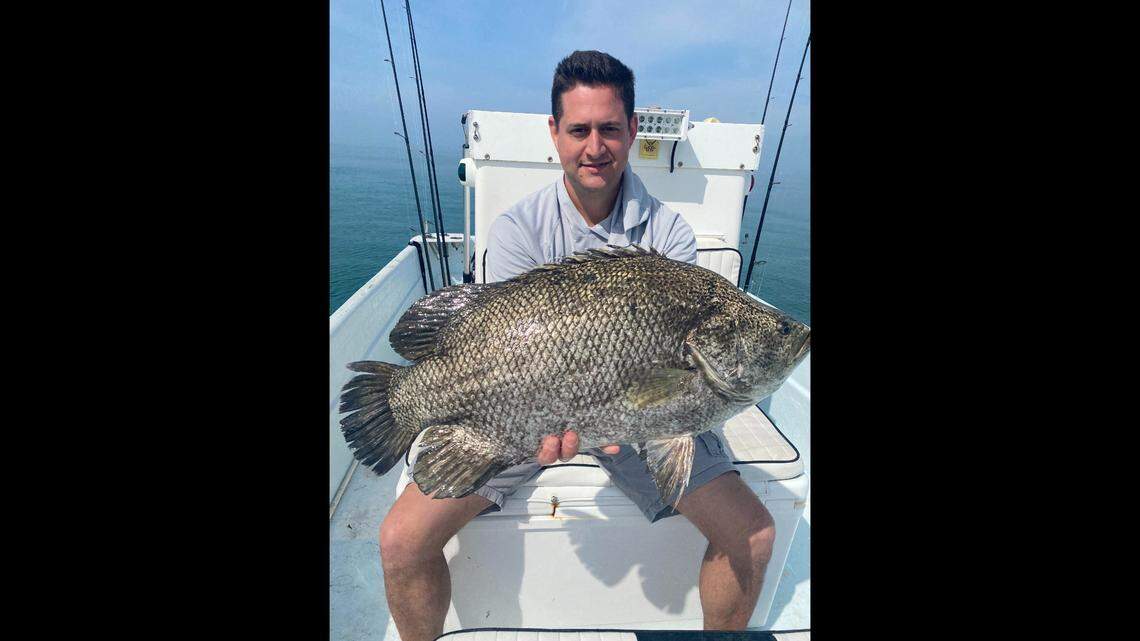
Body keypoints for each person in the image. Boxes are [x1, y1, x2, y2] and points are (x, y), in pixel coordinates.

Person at [379, 50, 776, 641]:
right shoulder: (517, 229)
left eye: (609, 129)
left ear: (632, 130)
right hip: (520, 414)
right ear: (555, 132)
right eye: (579, 130)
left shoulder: (668, 233)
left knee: (754, 535)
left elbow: (672, 394)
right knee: (400, 540)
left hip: (645, 422)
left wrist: (636, 420)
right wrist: (538, 423)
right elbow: (498, 347)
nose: (595, 147)